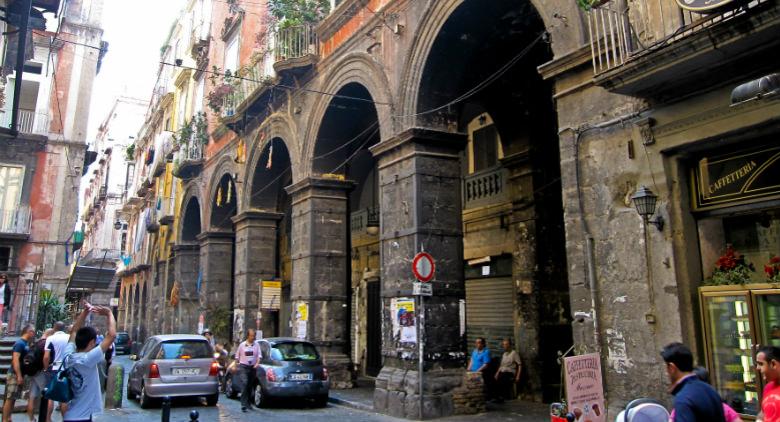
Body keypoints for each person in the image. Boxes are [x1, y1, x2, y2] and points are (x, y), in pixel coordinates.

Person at [61, 302, 116, 422]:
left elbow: (74, 331)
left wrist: (85, 312)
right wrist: (109, 313)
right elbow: (111, 336)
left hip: (69, 415)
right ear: (91, 343)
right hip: (82, 417)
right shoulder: (88, 360)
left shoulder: (68, 356)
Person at [660, 342, 725, 422]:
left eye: (666, 367)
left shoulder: (683, 398)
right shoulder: (710, 390)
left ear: (672, 367)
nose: (666, 373)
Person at [3, 323, 34, 422]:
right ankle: (5, 419)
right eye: (32, 331)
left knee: (13, 398)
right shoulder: (20, 343)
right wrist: (19, 375)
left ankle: (8, 418)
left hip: (19, 373)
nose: (33, 334)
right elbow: (15, 360)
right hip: (14, 374)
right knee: (10, 398)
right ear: (28, 332)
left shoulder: (25, 344)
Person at [44, 321, 70, 422]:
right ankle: (66, 419)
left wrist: (46, 368)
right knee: (64, 397)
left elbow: (46, 356)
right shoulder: (69, 338)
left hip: (54, 368)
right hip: (66, 368)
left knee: (50, 395)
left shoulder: (50, 338)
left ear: (54, 328)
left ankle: (48, 419)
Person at [28, 328, 55, 422]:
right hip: (41, 372)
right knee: (48, 395)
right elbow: (46, 358)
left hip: (33, 372)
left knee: (32, 397)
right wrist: (46, 368)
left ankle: (31, 419)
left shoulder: (36, 342)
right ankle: (46, 418)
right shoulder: (46, 343)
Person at [234, 329, 261, 412]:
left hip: (252, 367)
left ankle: (248, 403)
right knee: (245, 383)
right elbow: (237, 356)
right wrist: (235, 366)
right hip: (243, 367)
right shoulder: (242, 345)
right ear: (248, 336)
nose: (253, 337)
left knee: (250, 385)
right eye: (251, 336)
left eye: (254, 336)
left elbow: (259, 356)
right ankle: (243, 404)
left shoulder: (256, 345)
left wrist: (257, 363)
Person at [756, 345, 780, 422]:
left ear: (773, 364)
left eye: (761, 364)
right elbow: (763, 412)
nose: (757, 368)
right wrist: (759, 420)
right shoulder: (768, 387)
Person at [494, 338, 521, 402]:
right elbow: (501, 365)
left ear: (510, 345)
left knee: (502, 378)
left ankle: (501, 397)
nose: (504, 346)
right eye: (503, 344)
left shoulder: (514, 353)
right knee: (496, 379)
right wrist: (497, 373)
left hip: (510, 372)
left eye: (506, 344)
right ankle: (497, 397)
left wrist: (518, 376)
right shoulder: (504, 354)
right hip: (503, 371)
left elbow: (519, 365)